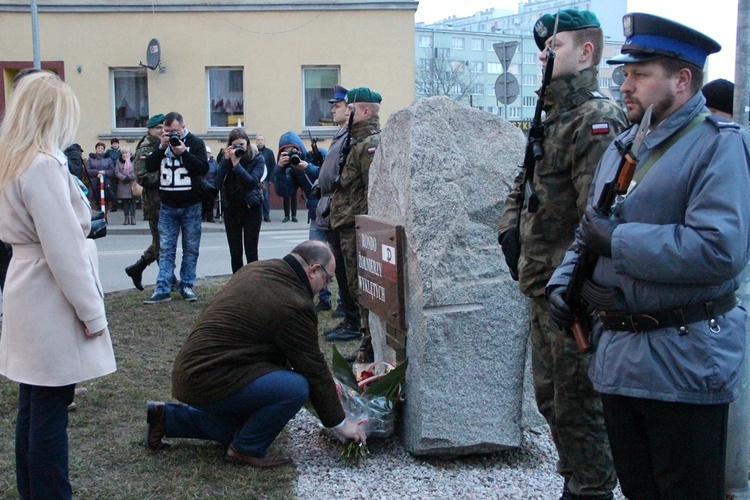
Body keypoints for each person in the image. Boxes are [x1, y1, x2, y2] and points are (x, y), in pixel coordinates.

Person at [546, 13, 750, 499]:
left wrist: (620, 242)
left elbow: (718, 249)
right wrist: (563, 283)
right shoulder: (623, 147)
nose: (625, 84)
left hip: (684, 360)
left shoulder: (718, 148)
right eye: (625, 73)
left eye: (640, 74)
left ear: (682, 80)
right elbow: (589, 231)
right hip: (622, 362)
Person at [496, 10, 627, 499]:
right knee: (551, 400)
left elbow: (599, 218)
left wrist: (572, 285)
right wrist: (510, 232)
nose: (543, 56)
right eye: (542, 48)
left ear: (587, 52)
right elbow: (523, 184)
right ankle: (577, 479)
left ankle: (591, 488)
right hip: (540, 286)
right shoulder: (553, 117)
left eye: (555, 47)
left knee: (579, 404)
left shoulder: (595, 120)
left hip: (571, 293)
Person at [145, 240, 366, 466]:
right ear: (313, 270)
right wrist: (340, 423)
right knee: (295, 388)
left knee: (247, 428)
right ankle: (245, 450)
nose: (324, 287)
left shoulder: (258, 269)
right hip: (209, 377)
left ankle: (167, 418)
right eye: (327, 279)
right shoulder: (294, 303)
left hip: (194, 371)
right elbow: (311, 366)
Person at [0, 70, 116, 499]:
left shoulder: (13, 159)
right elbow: (64, 252)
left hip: (26, 287)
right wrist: (92, 313)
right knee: (48, 410)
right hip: (47, 293)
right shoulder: (43, 164)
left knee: (34, 407)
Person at [327, 87, 384, 359]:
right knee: (355, 290)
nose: (346, 113)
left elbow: (374, 192)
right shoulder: (353, 142)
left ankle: (371, 346)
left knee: (365, 291)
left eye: (350, 109)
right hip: (347, 228)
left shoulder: (370, 144)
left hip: (358, 230)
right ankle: (368, 342)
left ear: (364, 112)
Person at [144, 111, 209, 304]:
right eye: (167, 131)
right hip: (167, 205)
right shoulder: (161, 143)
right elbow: (149, 166)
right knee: (165, 249)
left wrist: (184, 153)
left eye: (175, 131)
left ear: (183, 127)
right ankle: (162, 288)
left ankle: (187, 285)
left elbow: (203, 169)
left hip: (191, 205)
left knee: (190, 248)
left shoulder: (195, 143)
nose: (172, 135)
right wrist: (162, 147)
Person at [318, 85, 361, 327]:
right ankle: (348, 315)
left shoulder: (350, 136)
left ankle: (352, 318)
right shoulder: (340, 135)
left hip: (343, 209)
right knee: (342, 270)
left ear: (350, 109)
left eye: (337, 106)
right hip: (332, 207)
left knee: (347, 270)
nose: (333, 109)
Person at [277, 132, 328, 307]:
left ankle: (344, 304)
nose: (293, 156)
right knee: (317, 259)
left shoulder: (318, 154)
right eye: (287, 153)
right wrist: (280, 170)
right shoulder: (290, 170)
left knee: (338, 257)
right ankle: (324, 298)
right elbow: (284, 192)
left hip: (333, 212)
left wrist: (307, 167)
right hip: (315, 215)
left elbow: (327, 176)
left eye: (295, 151)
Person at [214, 128, 266, 273]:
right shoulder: (226, 159)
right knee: (235, 252)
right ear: (229, 145)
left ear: (248, 144)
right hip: (231, 209)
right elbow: (217, 181)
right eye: (235, 145)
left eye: (242, 145)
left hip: (252, 209)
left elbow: (251, 181)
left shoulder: (257, 158)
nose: (239, 148)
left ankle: (253, 282)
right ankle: (237, 284)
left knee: (251, 251)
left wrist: (236, 164)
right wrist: (226, 160)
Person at [124, 113, 165, 291]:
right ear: (150, 129)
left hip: (167, 200)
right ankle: (168, 279)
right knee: (161, 242)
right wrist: (164, 176)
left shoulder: (163, 144)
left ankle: (137, 268)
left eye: (164, 127)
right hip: (154, 202)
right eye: (158, 128)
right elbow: (142, 176)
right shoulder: (146, 148)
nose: (162, 130)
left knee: (162, 241)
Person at [86, 141, 115, 214]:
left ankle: (105, 214)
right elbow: (87, 170)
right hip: (94, 180)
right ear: (96, 149)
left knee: (107, 196)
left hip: (106, 181)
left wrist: (104, 172)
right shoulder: (91, 159)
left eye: (102, 148)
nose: (100, 149)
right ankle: (94, 212)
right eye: (98, 148)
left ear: (104, 150)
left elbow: (112, 171)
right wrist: (97, 172)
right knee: (91, 196)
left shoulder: (108, 159)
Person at [256, 134, 275, 222]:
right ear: (256, 141)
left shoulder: (269, 152)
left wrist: (271, 179)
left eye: (262, 139)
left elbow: (273, 166)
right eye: (258, 139)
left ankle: (266, 215)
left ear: (264, 141)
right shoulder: (253, 151)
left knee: (266, 197)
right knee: (256, 197)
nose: (260, 141)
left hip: (266, 179)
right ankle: (258, 215)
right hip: (255, 178)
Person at [115, 146, 137, 225]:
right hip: (123, 184)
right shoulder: (118, 161)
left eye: (126, 153)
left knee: (132, 202)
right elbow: (117, 172)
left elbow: (136, 171)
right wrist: (124, 178)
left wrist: (129, 177)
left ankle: (133, 218)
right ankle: (126, 218)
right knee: (125, 203)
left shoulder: (134, 161)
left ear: (130, 153)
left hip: (132, 184)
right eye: (123, 153)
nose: (124, 154)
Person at [106, 138, 122, 212]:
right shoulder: (108, 152)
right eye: (113, 143)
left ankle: (123, 205)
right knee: (112, 189)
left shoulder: (121, 151)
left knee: (121, 189)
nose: (115, 145)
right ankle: (114, 206)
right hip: (112, 173)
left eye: (116, 143)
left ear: (118, 144)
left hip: (121, 172)